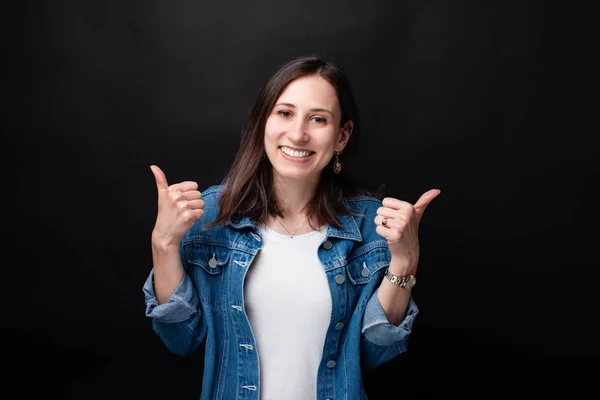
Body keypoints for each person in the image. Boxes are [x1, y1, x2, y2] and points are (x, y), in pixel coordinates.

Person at [143, 54, 440, 400]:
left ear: (342, 136)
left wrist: (404, 263)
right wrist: (163, 244)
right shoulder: (209, 215)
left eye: (318, 119)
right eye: (285, 113)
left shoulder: (372, 226)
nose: (298, 134)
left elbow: (375, 354)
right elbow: (181, 340)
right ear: (263, 123)